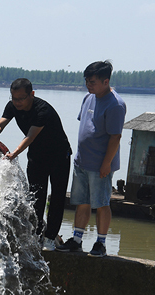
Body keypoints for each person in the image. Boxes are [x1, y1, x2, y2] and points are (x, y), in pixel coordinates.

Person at [0, 78, 71, 251]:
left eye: (21, 98)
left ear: (32, 94)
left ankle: (50, 238)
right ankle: (36, 235)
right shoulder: (12, 106)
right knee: (36, 197)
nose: (17, 102)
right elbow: (0, 125)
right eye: (14, 98)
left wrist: (14, 153)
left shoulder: (42, 110)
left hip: (59, 156)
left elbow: (30, 136)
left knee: (57, 197)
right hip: (37, 156)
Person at [57, 61, 126, 257]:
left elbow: (116, 137)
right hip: (82, 162)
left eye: (93, 82)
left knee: (102, 203)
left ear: (106, 81)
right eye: (87, 81)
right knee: (82, 202)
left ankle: (101, 243)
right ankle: (77, 240)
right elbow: (86, 126)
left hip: (100, 165)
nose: (89, 85)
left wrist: (106, 163)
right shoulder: (89, 98)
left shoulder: (116, 105)